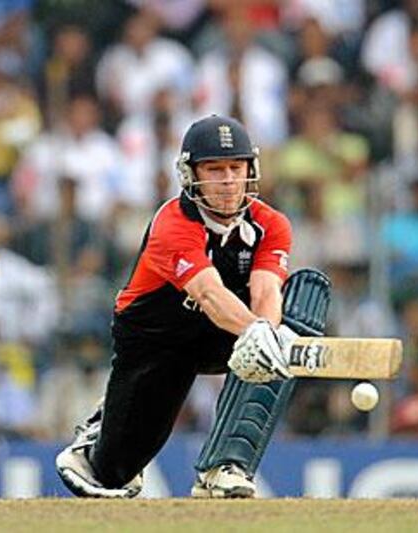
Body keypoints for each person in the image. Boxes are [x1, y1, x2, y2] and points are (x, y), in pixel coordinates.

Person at [56, 114, 330, 499]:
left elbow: (266, 291)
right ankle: (101, 432)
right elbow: (209, 294)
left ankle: (227, 465)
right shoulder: (172, 223)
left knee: (293, 315)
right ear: (191, 173)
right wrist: (258, 332)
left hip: (224, 331)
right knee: (115, 472)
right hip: (156, 337)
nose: (229, 180)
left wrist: (267, 336)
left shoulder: (272, 224)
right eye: (215, 169)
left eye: (236, 167)